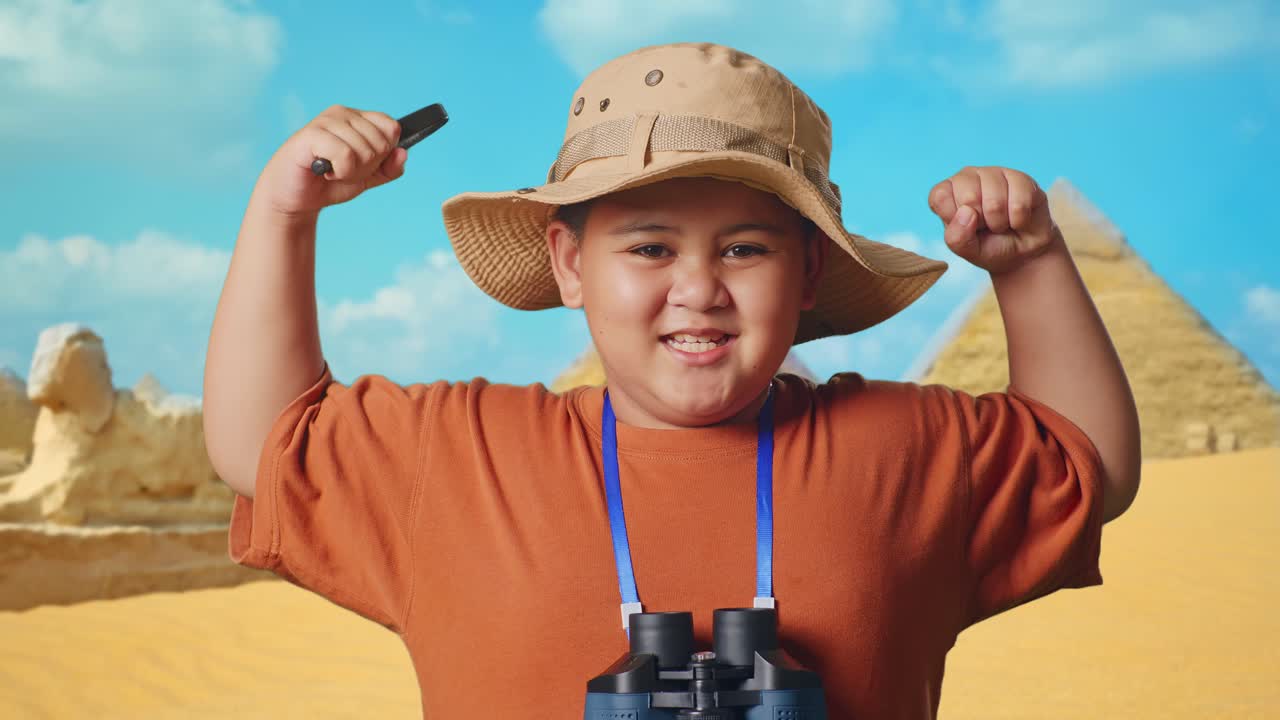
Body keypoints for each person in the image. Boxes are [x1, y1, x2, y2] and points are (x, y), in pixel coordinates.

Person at [204, 42, 1141, 719]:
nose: (699, 289)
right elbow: (260, 445)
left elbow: (1085, 465)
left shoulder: (904, 448)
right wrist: (284, 211)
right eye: (648, 246)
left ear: (809, 274)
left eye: (745, 248)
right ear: (569, 265)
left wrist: (1031, 265)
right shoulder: (458, 457)